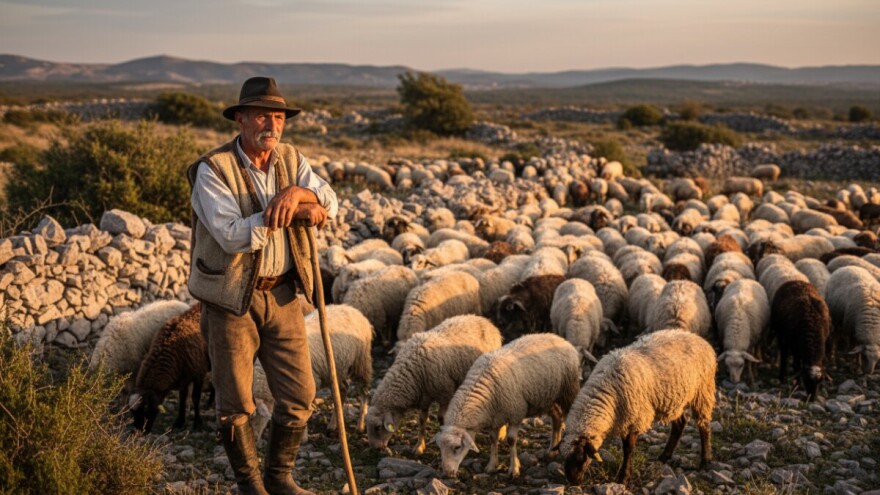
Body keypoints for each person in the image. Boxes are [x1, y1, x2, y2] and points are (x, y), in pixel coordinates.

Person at [187, 76, 337, 495]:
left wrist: (297, 192)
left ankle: (279, 477)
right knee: (236, 402)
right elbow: (233, 234)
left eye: (277, 116)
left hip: (285, 294)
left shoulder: (292, 160)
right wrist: (295, 208)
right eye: (260, 115)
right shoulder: (212, 170)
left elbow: (332, 202)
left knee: (300, 394)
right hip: (232, 300)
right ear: (240, 119)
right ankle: (251, 486)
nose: (270, 125)